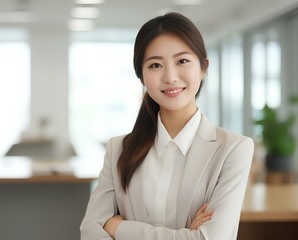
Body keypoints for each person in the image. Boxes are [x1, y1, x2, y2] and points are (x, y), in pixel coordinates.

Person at [80, 12, 254, 240]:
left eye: (182, 61)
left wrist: (119, 228)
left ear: (203, 68)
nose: (170, 77)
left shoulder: (233, 149)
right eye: (155, 65)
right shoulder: (118, 150)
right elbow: (90, 233)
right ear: (141, 76)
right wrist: (185, 234)